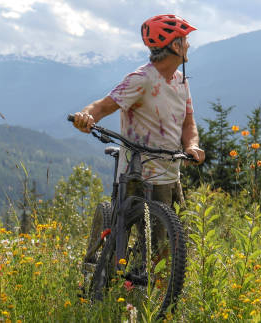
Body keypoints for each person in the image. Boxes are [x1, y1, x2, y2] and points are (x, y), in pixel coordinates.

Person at [72, 14, 205, 263]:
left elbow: (188, 122)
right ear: (175, 46)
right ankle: (103, 280)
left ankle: (151, 296)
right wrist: (85, 117)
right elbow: (102, 106)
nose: (188, 45)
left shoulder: (181, 81)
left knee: (168, 251)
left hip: (169, 175)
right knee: (129, 243)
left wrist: (192, 145)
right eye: (185, 40)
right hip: (138, 175)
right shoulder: (141, 79)